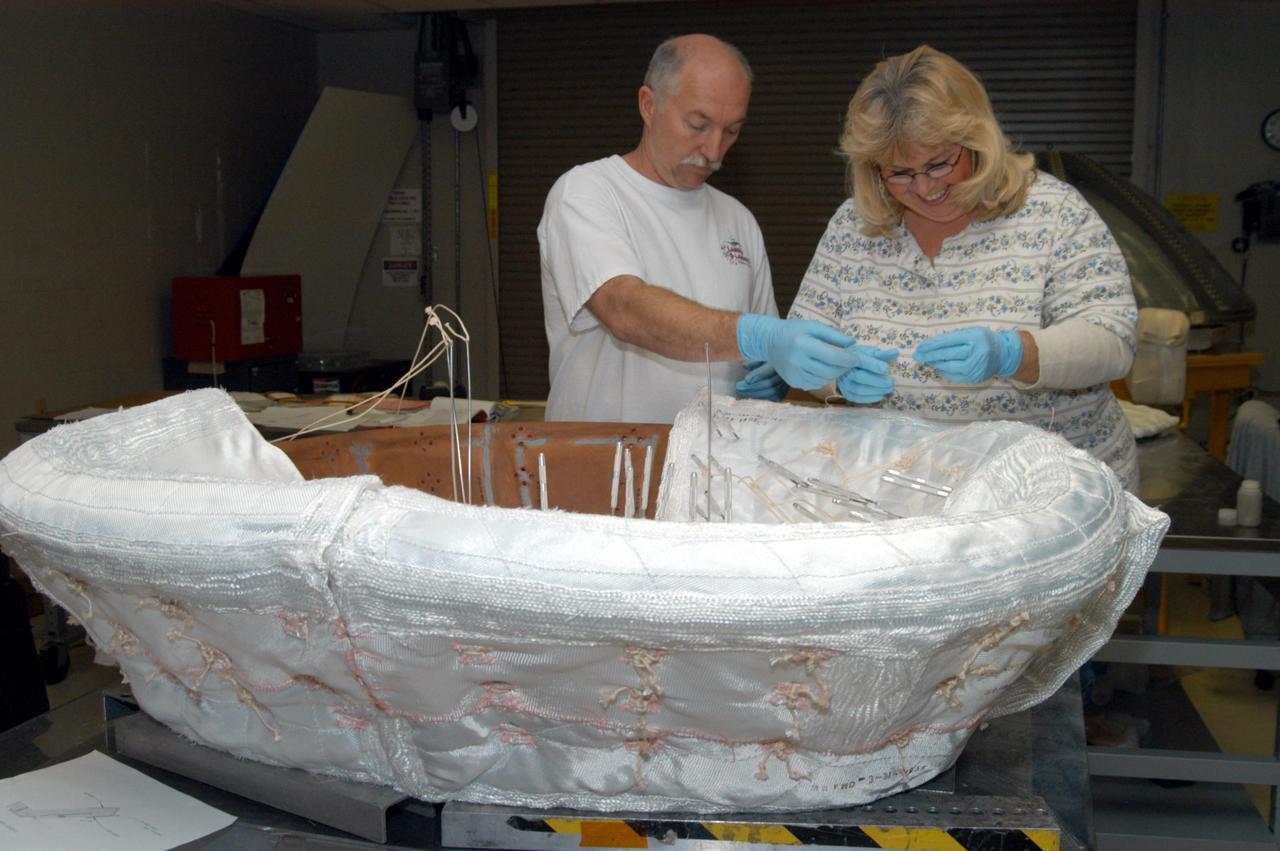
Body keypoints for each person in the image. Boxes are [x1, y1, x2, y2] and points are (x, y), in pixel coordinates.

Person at [789, 45, 1139, 491]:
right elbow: (804, 342)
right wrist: (836, 378)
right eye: (900, 173)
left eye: (939, 164)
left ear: (976, 140)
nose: (924, 187)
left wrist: (1014, 353)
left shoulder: (1053, 214)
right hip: (905, 487)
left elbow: (1112, 341)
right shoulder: (852, 228)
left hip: (1053, 493)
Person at [539, 33, 894, 423]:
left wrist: (779, 372)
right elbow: (625, 309)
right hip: (607, 467)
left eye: (732, 131)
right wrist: (753, 337)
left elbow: (762, 351)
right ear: (648, 104)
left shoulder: (737, 219)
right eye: (698, 124)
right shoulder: (588, 192)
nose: (714, 151)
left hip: (711, 472)